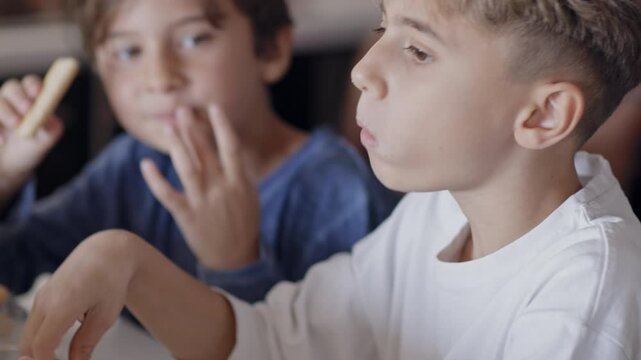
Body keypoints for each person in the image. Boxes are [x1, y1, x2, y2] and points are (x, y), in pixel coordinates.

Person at [18, 0, 641, 359]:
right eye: (382, 28)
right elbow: (278, 340)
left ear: (542, 115)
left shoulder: (581, 301)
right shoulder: (437, 212)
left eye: (417, 50)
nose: (364, 70)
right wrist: (125, 260)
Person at [0, 0, 400, 305]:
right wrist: (5, 178)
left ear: (272, 49)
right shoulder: (130, 167)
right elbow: (12, 268)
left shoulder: (339, 192)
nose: (160, 79)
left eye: (194, 40)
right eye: (128, 52)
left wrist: (234, 264)